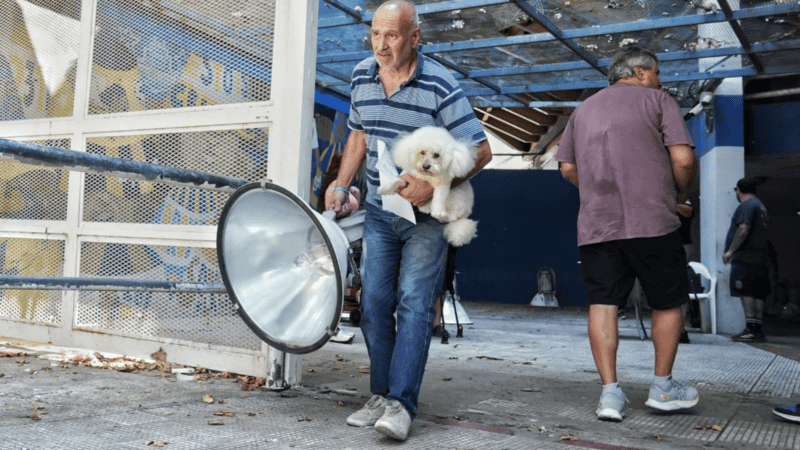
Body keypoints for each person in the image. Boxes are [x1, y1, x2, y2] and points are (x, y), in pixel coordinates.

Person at [324, 1, 492, 441]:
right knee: (374, 305)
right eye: (375, 35)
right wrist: (342, 184)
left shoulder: (439, 83)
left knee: (415, 305)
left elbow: (481, 149)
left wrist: (432, 185)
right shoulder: (362, 74)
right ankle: (379, 395)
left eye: (393, 36)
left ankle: (401, 405)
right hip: (381, 213)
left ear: (415, 38)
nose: (382, 45)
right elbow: (358, 134)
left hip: (427, 218)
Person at [556, 46, 700, 422]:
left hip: (598, 225)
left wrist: (599, 192)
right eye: (657, 72)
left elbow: (568, 168)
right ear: (639, 72)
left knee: (603, 302)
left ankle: (609, 395)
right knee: (667, 301)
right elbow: (683, 159)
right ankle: (663, 387)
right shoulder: (658, 100)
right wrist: (678, 196)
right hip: (653, 219)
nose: (660, 79)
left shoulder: (583, 110)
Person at [723, 177, 770, 342]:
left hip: (746, 258)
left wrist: (730, 251)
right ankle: (757, 330)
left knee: (747, 292)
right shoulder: (760, 205)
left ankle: (750, 330)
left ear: (739, 190)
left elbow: (743, 228)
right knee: (757, 293)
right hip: (760, 259)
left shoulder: (746, 206)